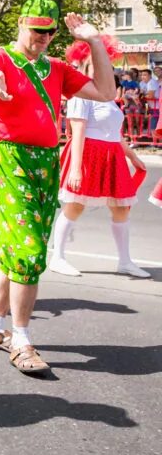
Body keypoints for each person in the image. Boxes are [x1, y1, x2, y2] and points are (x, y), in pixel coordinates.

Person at [0, 0, 116, 375]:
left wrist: (95, 42)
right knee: (29, 249)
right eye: (37, 29)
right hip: (9, 156)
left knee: (17, 248)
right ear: (21, 24)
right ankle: (22, 338)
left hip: (45, 161)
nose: (44, 37)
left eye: (50, 31)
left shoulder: (57, 69)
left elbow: (106, 92)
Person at [49, 36, 149, 278]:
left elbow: (114, 132)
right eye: (95, 61)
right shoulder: (81, 94)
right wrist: (75, 169)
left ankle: (125, 261)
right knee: (75, 205)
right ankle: (57, 257)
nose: (102, 66)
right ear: (84, 65)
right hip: (88, 154)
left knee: (122, 208)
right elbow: (78, 131)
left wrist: (132, 156)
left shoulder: (107, 96)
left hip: (112, 154)